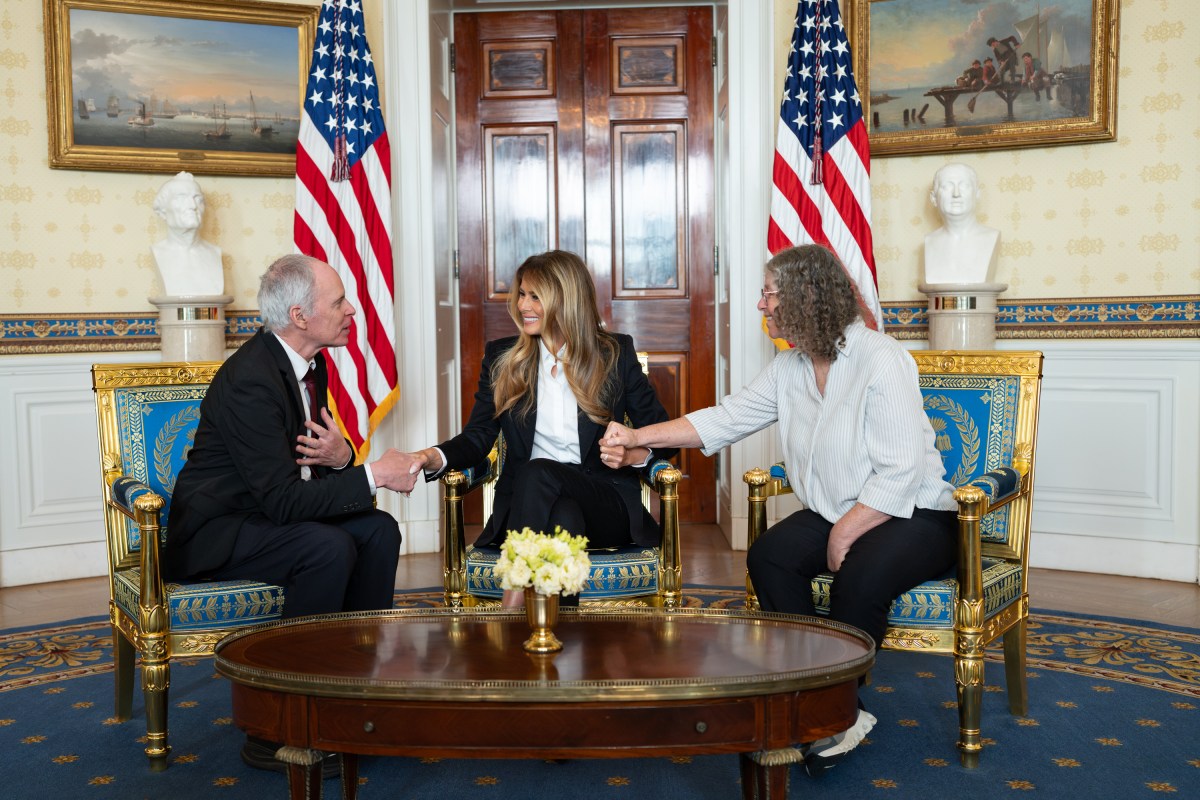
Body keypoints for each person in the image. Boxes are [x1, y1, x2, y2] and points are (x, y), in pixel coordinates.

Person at [599, 244, 958, 777]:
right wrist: (637, 436)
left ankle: (833, 711)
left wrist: (845, 533)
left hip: (913, 512)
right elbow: (724, 419)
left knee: (857, 580)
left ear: (807, 297)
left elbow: (902, 470)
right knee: (769, 556)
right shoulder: (789, 367)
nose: (761, 305)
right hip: (839, 508)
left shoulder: (881, 358)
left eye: (769, 293)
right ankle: (816, 695)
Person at [165, 253, 423, 775]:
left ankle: (351, 692)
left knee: (378, 530)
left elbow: (312, 467)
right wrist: (374, 474)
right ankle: (279, 724)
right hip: (221, 529)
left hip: (268, 513)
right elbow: (283, 500)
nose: (352, 310)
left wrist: (348, 460)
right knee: (326, 547)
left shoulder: (311, 362)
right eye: (338, 302)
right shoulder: (251, 380)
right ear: (300, 317)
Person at [411, 249, 676, 606]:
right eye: (521, 293)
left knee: (539, 473)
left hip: (603, 500)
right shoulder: (503, 357)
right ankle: (557, 643)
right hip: (529, 508)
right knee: (561, 514)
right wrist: (430, 456)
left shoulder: (614, 353)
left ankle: (513, 601)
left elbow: (663, 434)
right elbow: (478, 437)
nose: (523, 305)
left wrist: (635, 455)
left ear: (566, 299)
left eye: (535, 296)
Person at [923, 162, 1000, 285]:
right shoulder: (929, 241)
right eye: (947, 187)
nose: (956, 194)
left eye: (964, 186)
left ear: (977, 194)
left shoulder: (991, 237)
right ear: (933, 198)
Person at [151, 171, 225, 296]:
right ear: (163, 211)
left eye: (198, 199)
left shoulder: (214, 253)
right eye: (181, 198)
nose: (193, 206)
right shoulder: (158, 252)